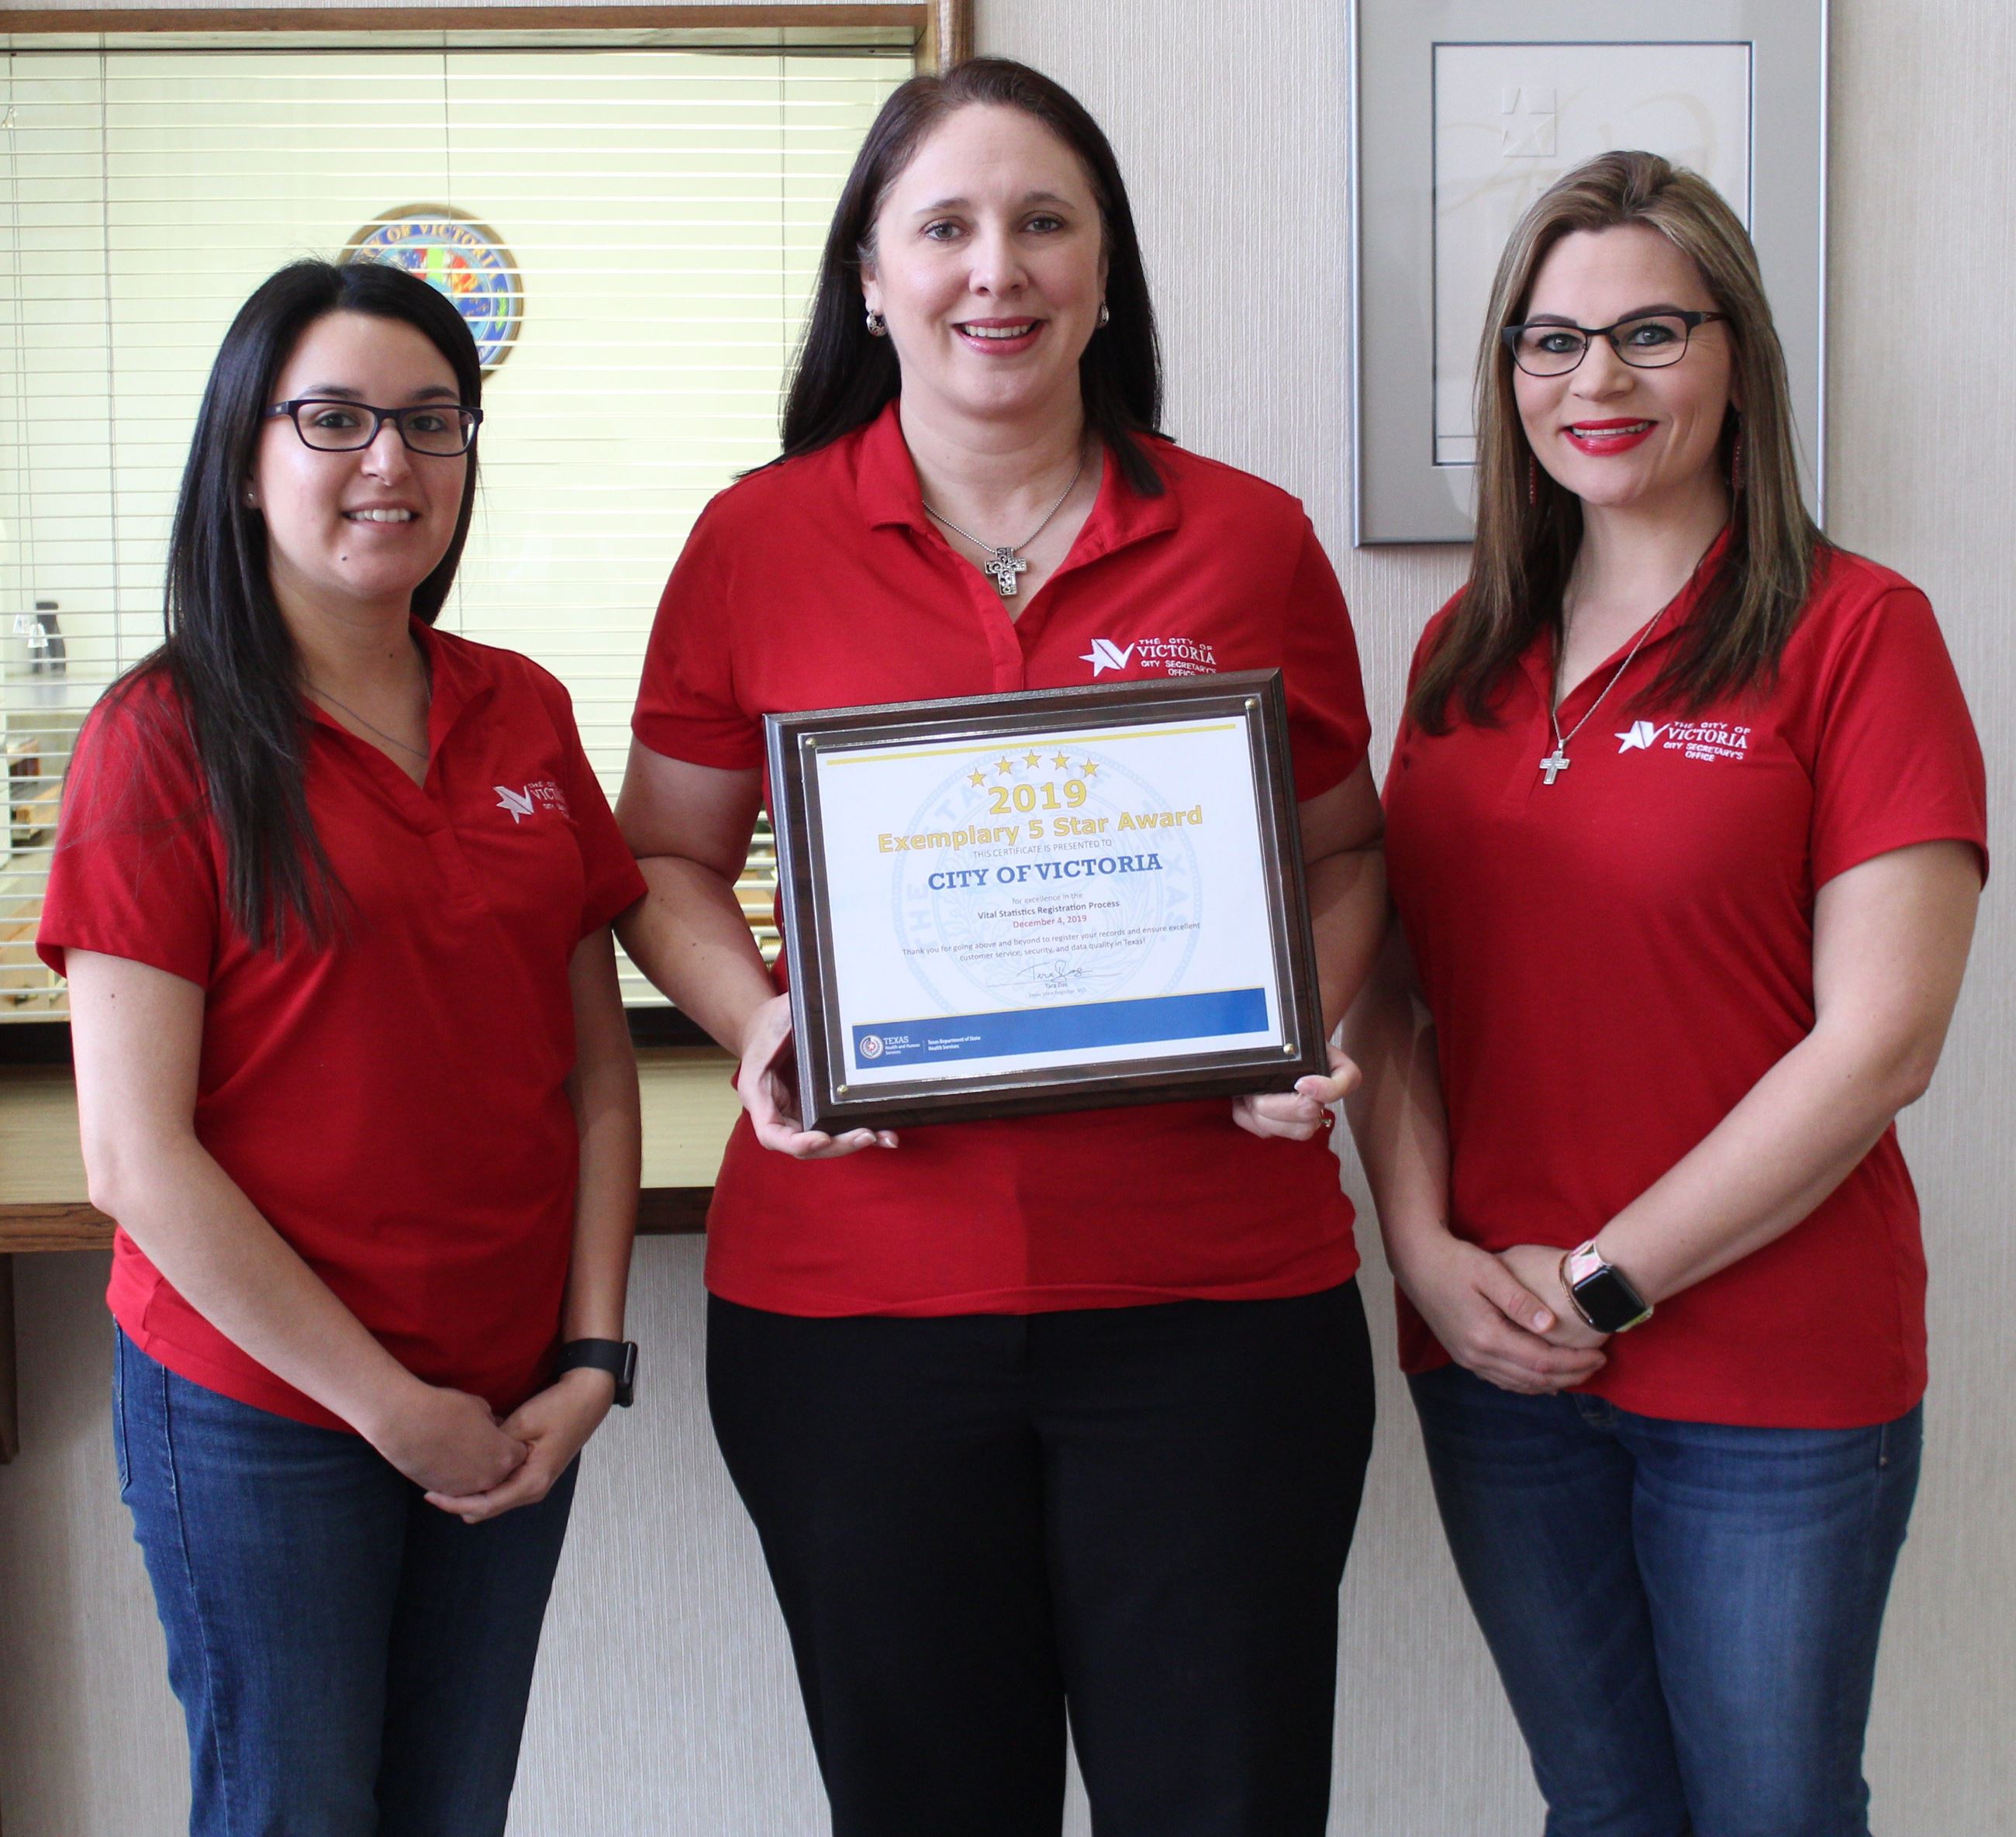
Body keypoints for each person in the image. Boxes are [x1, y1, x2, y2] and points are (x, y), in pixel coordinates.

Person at [616, 57, 1384, 1837]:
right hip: (852, 1319)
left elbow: (1347, 854)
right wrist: (759, 1024)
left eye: (1044, 223)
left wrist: (1301, 1027)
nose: (997, 270)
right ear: (869, 280)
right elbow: (662, 855)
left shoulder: (1249, 537)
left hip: (1214, 1310)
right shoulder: (753, 540)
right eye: (944, 227)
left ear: (1106, 272)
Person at [1345, 151, 1987, 1837]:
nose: (1595, 382)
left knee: (1772, 1818)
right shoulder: (1459, 654)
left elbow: (1881, 1044)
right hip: (1491, 1354)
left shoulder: (1858, 635)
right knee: (1601, 1814)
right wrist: (1421, 1251)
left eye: (1647, 331)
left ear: (1736, 356)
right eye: (1547, 342)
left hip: (1768, 1373)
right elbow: (1393, 994)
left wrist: (1611, 1280)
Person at [37, 259, 647, 1837]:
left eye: (433, 423)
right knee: (295, 1811)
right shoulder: (157, 738)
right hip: (265, 1411)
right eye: (335, 419)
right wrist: (388, 1406)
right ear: (246, 458)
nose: (391, 462)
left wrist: (590, 1360)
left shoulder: (521, 712)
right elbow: (132, 1155)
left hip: (513, 1402)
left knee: (454, 1811)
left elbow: (590, 1071)